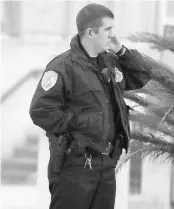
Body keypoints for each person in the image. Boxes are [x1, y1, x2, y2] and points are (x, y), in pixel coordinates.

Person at [29, 3, 152, 209]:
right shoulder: (63, 67)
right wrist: (81, 123)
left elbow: (142, 76)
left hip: (106, 166)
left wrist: (121, 51)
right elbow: (41, 111)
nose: (112, 35)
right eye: (108, 29)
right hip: (74, 167)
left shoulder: (110, 63)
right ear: (90, 32)